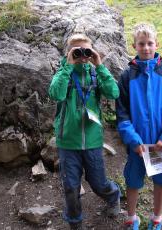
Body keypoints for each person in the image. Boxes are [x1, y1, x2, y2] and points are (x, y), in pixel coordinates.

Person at [49, 34, 121, 230]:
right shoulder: (64, 72)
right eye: (77, 51)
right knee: (70, 187)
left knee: (98, 183)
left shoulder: (95, 73)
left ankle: (114, 196)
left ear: (92, 52)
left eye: (86, 51)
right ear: (69, 53)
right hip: (68, 141)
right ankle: (75, 222)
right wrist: (67, 67)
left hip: (92, 140)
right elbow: (56, 93)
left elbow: (113, 93)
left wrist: (100, 66)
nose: (82, 55)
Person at [116, 23, 162, 230]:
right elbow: (122, 113)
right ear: (134, 45)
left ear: (157, 44)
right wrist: (133, 141)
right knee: (133, 180)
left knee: (161, 180)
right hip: (138, 145)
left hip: (161, 145)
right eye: (141, 44)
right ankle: (132, 217)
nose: (146, 48)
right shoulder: (127, 76)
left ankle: (157, 217)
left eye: (150, 43)